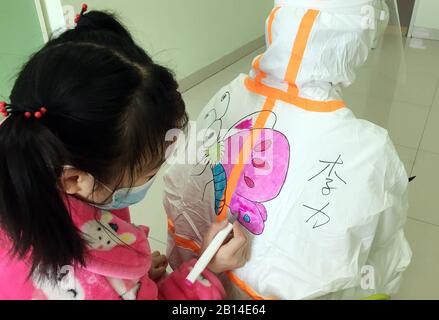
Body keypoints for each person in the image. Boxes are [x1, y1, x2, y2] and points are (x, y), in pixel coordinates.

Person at [0, 9, 248, 300]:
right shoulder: (90, 281)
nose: (154, 177)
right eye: (149, 172)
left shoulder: (27, 159)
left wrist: (135, 275)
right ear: (75, 178)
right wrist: (207, 268)